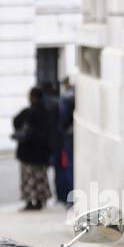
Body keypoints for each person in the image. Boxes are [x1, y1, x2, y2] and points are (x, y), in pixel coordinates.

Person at [12, 86, 54, 210]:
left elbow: (16, 121)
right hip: (41, 153)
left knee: (28, 179)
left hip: (28, 152)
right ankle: (41, 200)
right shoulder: (47, 112)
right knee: (40, 178)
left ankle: (30, 202)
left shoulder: (28, 112)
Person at [55, 78, 75, 206]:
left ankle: (70, 200)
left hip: (68, 137)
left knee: (69, 168)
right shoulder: (72, 96)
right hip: (71, 136)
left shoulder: (67, 98)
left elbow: (62, 121)